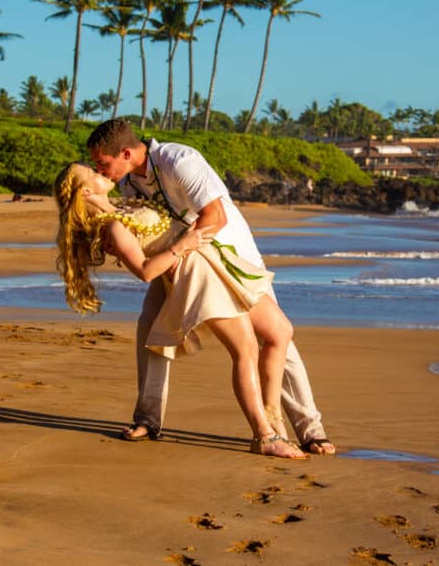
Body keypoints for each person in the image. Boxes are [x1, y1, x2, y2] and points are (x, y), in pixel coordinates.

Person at [87, 119, 336, 455]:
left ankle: (309, 429)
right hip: (179, 258)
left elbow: (215, 218)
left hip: (230, 254)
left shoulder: (178, 160)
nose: (99, 169)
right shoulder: (130, 183)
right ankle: (148, 419)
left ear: (127, 153)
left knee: (276, 338)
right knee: (151, 327)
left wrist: (182, 250)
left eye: (103, 162)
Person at [53, 163, 306, 459]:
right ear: (86, 190)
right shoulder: (112, 228)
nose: (102, 173)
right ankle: (264, 436)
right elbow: (146, 272)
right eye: (94, 174)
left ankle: (272, 415)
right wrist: (182, 245)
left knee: (281, 331)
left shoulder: (119, 209)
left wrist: (103, 203)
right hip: (195, 272)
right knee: (246, 349)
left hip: (216, 261)